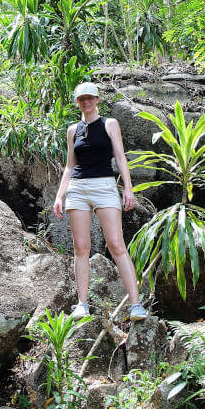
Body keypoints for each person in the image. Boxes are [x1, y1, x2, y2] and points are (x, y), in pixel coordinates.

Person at [52, 82, 148, 321]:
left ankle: (136, 304)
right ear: (77, 102)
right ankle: (82, 303)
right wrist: (59, 195)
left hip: (104, 186)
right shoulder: (73, 129)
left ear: (97, 100)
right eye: (82, 99)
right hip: (78, 189)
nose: (86, 102)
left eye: (90, 98)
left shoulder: (110, 124)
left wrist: (128, 188)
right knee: (81, 248)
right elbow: (69, 166)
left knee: (116, 245)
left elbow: (120, 156)